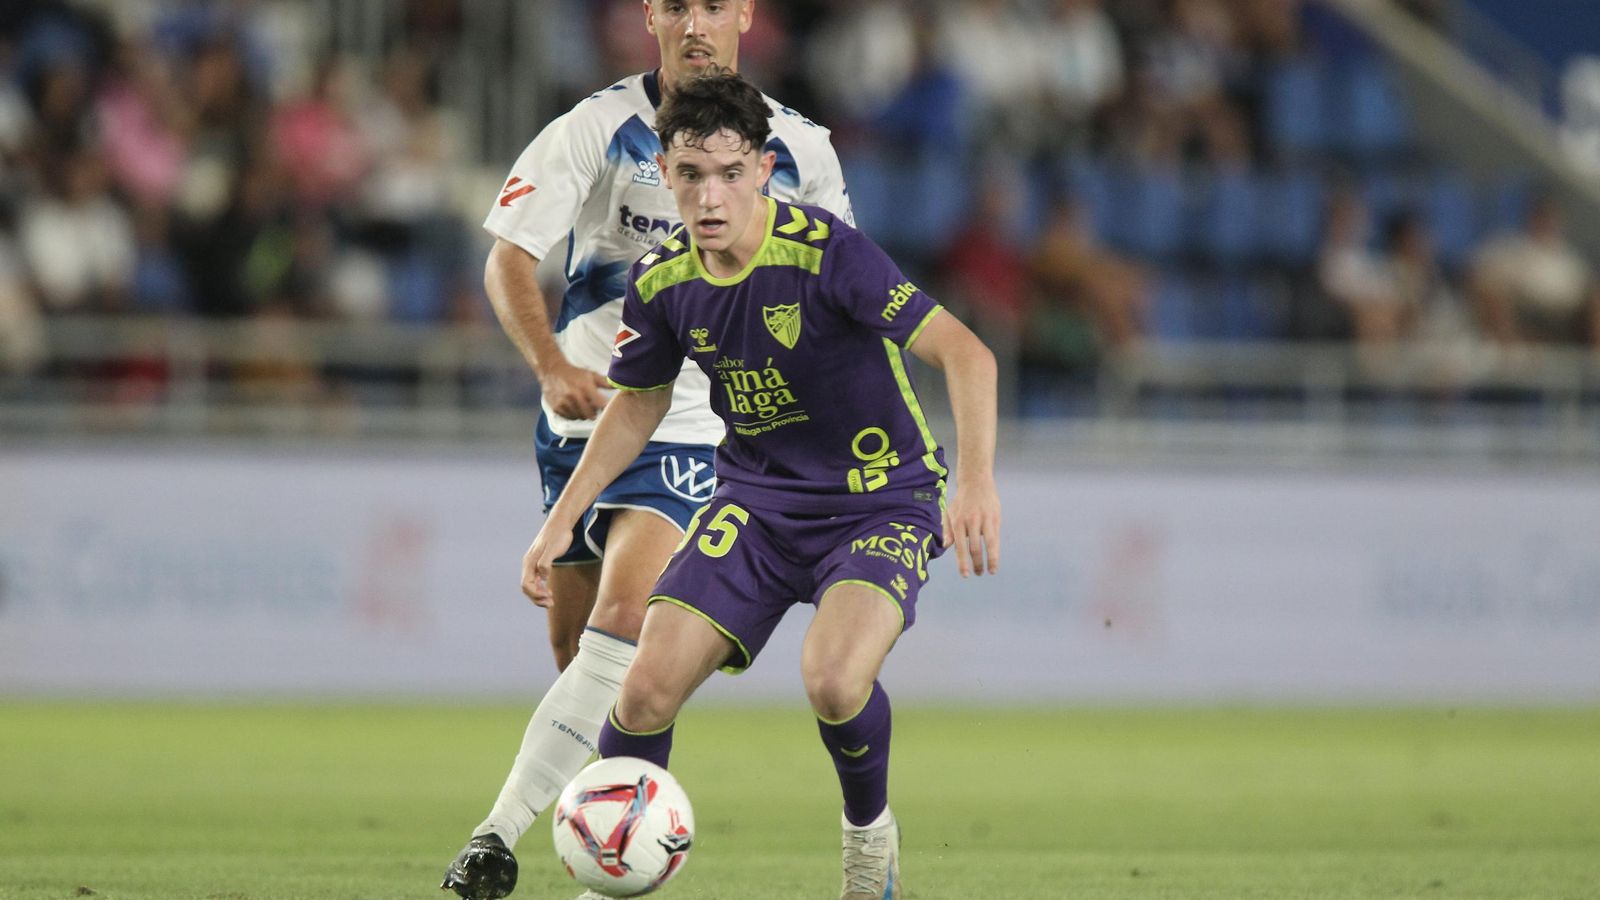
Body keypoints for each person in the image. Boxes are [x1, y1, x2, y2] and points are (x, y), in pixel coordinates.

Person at [524, 72, 1001, 900]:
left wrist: (976, 483)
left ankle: (868, 843)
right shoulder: (665, 279)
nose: (710, 196)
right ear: (665, 175)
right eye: (689, 175)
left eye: (730, 173)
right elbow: (637, 405)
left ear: (766, 166)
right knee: (641, 693)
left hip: (878, 500)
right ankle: (609, 878)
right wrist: (562, 521)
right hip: (755, 505)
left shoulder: (828, 254)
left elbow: (968, 352)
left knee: (833, 680)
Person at [442, 2, 853, 898]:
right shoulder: (595, 129)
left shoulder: (800, 150)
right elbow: (509, 255)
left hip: (702, 426)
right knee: (586, 663)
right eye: (676, 5)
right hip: (584, 419)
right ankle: (611, 857)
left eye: (714, 4)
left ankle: (494, 839)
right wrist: (550, 366)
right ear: (650, 17)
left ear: (746, 13)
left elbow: (841, 288)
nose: (695, 24)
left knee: (626, 623)